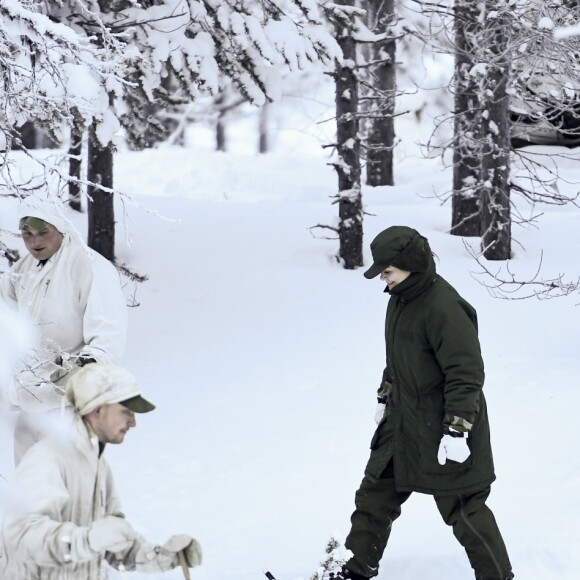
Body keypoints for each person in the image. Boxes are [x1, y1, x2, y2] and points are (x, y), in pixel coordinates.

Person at [334, 226, 513, 580]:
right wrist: (386, 394)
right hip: (402, 422)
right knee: (374, 496)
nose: (382, 279)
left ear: (410, 264)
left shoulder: (443, 307)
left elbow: (466, 373)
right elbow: (399, 358)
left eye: (387, 271)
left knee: (464, 508)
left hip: (441, 426)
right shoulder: (401, 300)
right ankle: (356, 571)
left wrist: (458, 429)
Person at [0, 363, 202, 579]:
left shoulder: (97, 465)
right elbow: (20, 538)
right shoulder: (48, 458)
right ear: (97, 410)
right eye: (126, 411)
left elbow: (112, 541)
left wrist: (160, 557)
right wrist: (85, 541)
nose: (133, 422)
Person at [0, 196, 128, 463]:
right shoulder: (21, 271)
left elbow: (108, 335)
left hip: (70, 406)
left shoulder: (89, 267)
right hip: (29, 402)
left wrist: (78, 372)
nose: (35, 242)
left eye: (43, 233)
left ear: (60, 227)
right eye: (27, 234)